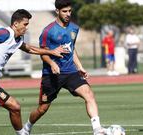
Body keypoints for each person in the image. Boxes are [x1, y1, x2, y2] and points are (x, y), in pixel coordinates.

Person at [23, 0, 107, 135]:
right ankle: (27, 126)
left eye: (69, 11)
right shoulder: (48, 31)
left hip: (71, 72)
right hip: (51, 74)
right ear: (57, 11)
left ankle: (97, 130)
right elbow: (43, 53)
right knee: (42, 109)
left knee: (89, 94)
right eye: (64, 11)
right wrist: (52, 63)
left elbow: (72, 49)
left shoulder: (74, 28)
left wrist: (80, 67)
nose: (68, 14)